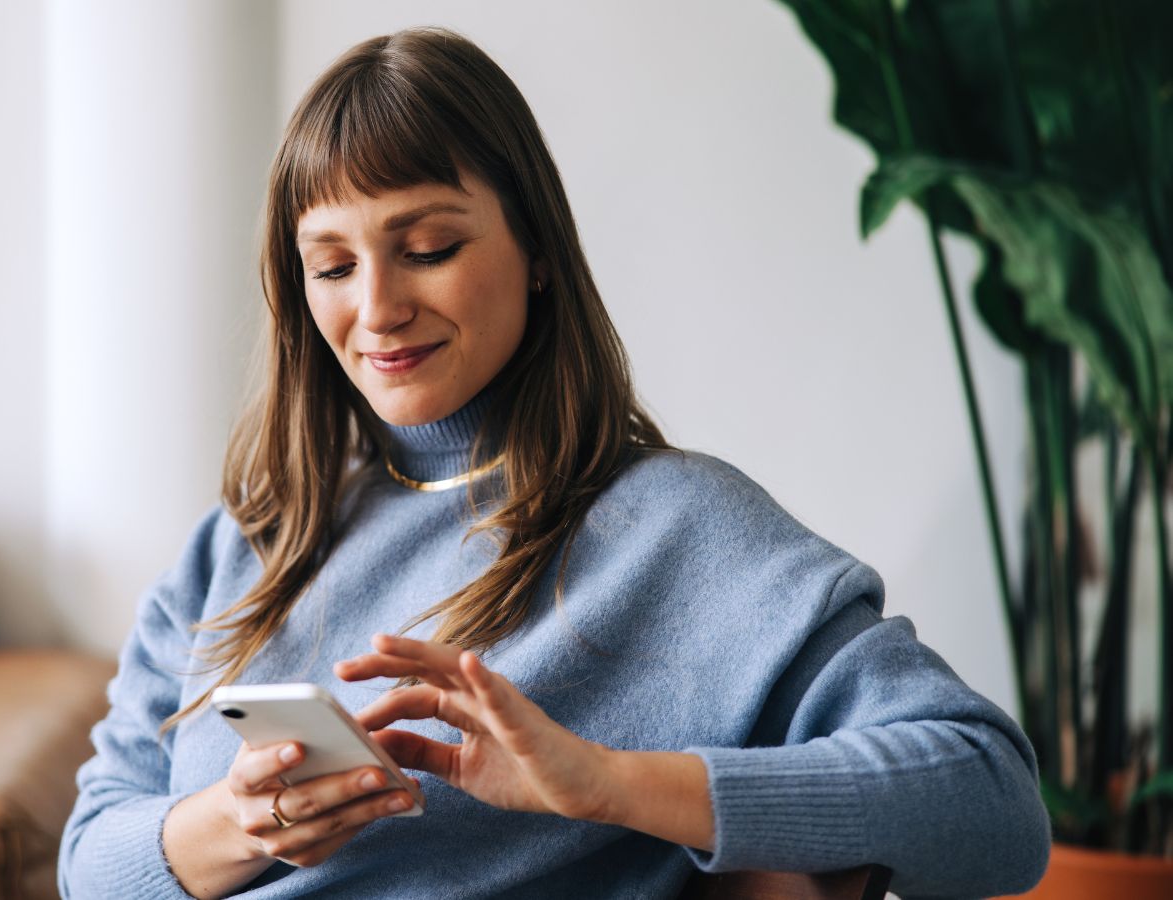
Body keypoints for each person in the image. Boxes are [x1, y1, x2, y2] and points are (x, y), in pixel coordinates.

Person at [57, 25, 1051, 900]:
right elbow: (88, 862)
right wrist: (236, 824)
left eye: (430, 245)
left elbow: (991, 800)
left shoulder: (676, 529)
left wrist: (606, 782)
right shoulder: (245, 544)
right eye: (332, 264)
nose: (377, 307)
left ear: (535, 248)